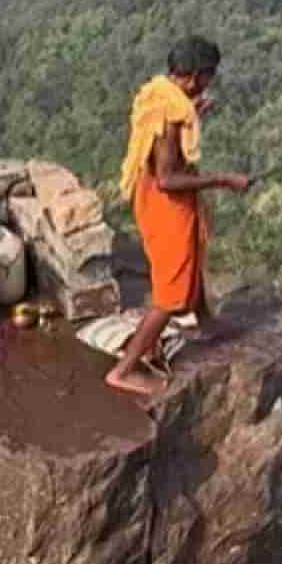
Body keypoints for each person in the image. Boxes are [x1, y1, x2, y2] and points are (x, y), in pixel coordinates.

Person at [105, 36, 254, 396]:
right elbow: (169, 178)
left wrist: (195, 113)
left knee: (187, 261)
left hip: (155, 194)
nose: (208, 84)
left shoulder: (162, 93)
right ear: (193, 77)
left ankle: (205, 322)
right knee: (170, 295)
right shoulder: (170, 116)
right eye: (207, 77)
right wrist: (223, 180)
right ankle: (123, 371)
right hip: (165, 200)